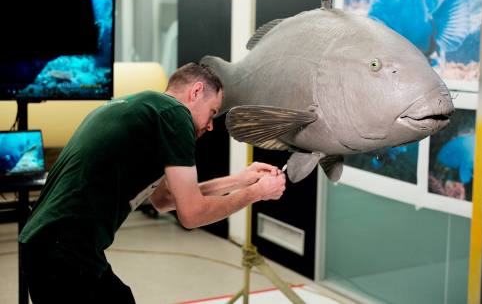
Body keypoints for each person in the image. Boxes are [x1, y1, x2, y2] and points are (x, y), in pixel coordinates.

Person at [19, 62, 286, 304]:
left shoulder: (146, 111)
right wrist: (257, 193)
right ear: (195, 92)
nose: (211, 125)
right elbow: (191, 215)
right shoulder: (175, 115)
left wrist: (240, 180)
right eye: (212, 112)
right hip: (63, 253)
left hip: (49, 248)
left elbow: (164, 200)